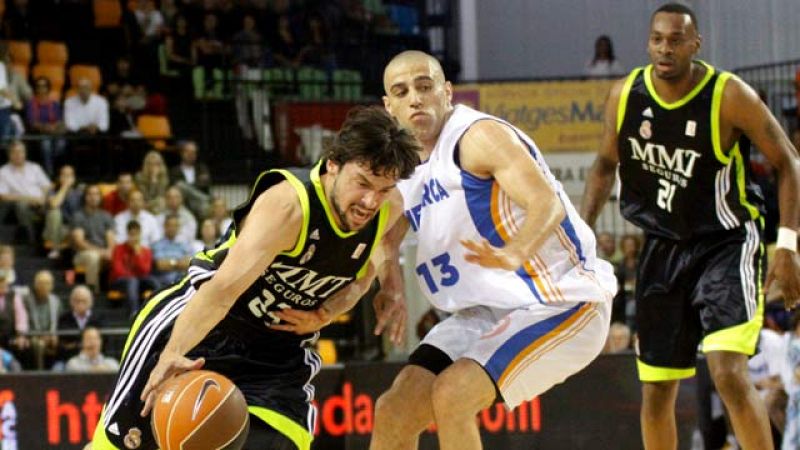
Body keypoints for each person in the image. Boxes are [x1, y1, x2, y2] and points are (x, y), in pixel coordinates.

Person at [88, 106, 420, 450]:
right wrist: (172, 352)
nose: (370, 201)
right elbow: (220, 292)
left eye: (383, 189)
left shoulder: (388, 208)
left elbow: (365, 273)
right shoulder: (289, 207)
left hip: (277, 351)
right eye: (362, 183)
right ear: (333, 164)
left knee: (285, 442)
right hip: (203, 329)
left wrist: (333, 310)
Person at [580, 4, 800, 450]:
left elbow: (788, 163)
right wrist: (583, 237)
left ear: (695, 44)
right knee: (657, 389)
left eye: (676, 39)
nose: (665, 48)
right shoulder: (625, 95)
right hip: (662, 247)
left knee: (727, 371)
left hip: (727, 241)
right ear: (648, 43)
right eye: (657, 38)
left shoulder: (728, 95)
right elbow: (604, 165)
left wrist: (789, 247)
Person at [371, 50, 616, 450]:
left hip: (560, 300)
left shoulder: (477, 137)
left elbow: (546, 204)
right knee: (394, 411)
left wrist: (515, 252)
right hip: (485, 311)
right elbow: (387, 235)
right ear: (389, 105)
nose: (414, 97)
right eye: (401, 91)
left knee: (453, 394)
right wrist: (391, 284)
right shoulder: (401, 163)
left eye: (424, 85)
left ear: (447, 92)